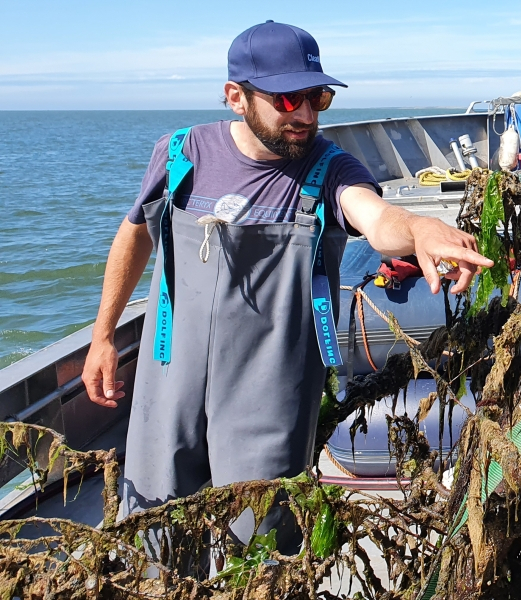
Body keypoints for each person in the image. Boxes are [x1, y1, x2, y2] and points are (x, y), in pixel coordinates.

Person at [79, 21, 492, 550]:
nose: (307, 114)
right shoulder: (180, 154)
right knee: (156, 534)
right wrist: (103, 335)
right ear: (236, 97)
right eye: (288, 98)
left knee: (260, 546)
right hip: (169, 374)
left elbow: (378, 219)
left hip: (269, 389)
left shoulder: (332, 168)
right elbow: (133, 236)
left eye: (318, 96)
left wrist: (418, 230)